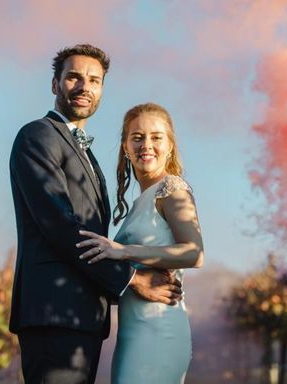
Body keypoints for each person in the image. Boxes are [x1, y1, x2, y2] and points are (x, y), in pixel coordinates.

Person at [9, 45, 182, 384]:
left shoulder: (84, 150)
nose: (84, 87)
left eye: (94, 80)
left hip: (83, 314)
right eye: (73, 77)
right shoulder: (38, 136)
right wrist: (132, 280)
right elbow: (60, 225)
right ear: (55, 84)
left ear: (102, 89)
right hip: (54, 313)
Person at [77, 102, 204, 383]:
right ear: (125, 147)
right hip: (133, 332)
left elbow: (194, 253)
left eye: (156, 137)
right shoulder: (139, 203)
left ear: (170, 145)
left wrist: (123, 251)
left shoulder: (173, 190)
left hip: (159, 330)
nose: (146, 144)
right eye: (137, 137)